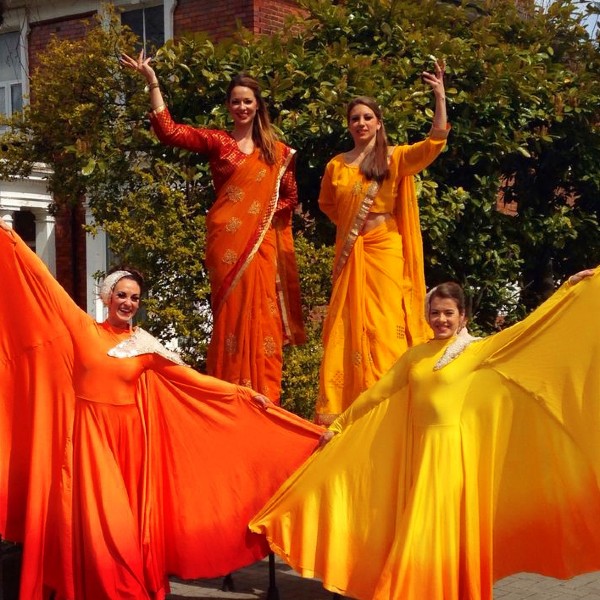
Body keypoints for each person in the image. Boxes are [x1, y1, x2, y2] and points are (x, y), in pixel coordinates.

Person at [0, 219, 322, 600]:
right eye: (122, 295)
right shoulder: (82, 329)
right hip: (89, 441)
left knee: (125, 525)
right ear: (107, 297)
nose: (128, 303)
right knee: (96, 525)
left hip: (131, 445)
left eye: (135, 298)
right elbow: (43, 285)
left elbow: (192, 380)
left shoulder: (144, 345)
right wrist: (10, 238)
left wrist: (243, 395)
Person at [250, 269, 600, 600]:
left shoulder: (478, 351)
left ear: (463, 316)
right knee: (421, 527)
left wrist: (568, 289)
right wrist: (339, 426)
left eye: (448, 313)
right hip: (418, 453)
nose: (441, 320)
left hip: (452, 456)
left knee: (429, 529)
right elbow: (378, 394)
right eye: (435, 313)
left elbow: (527, 330)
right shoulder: (416, 356)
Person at [120, 52, 305, 404]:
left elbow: (289, 197)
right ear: (228, 105)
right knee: (231, 318)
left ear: (257, 105)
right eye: (235, 101)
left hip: (260, 245)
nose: (241, 107)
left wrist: (260, 221)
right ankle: (228, 394)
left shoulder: (276, 153)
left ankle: (264, 398)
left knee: (263, 319)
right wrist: (152, 82)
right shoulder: (219, 142)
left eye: (247, 101)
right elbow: (169, 131)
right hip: (227, 243)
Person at [315, 59, 449, 425]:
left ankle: (390, 403)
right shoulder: (336, 166)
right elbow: (328, 204)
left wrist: (439, 97)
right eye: (354, 118)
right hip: (352, 254)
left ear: (378, 122)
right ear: (349, 125)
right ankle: (349, 410)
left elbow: (435, 142)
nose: (360, 123)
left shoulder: (394, 157)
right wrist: (351, 232)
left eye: (367, 118)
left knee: (386, 325)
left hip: (385, 251)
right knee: (347, 327)